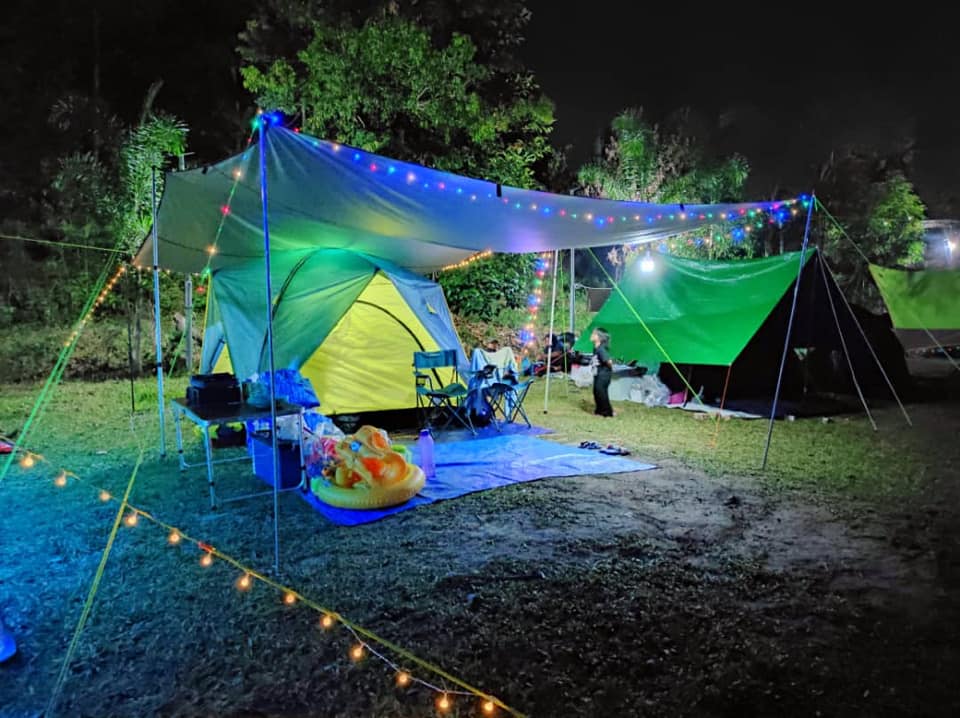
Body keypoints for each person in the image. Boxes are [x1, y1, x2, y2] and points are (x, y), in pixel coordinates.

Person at [590, 327, 614, 417]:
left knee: (601, 392)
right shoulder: (596, 348)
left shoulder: (601, 349)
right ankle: (599, 410)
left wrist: (609, 369)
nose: (591, 335)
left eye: (594, 334)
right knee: (597, 392)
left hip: (603, 374)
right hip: (598, 373)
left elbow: (609, 361)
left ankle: (606, 412)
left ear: (599, 337)